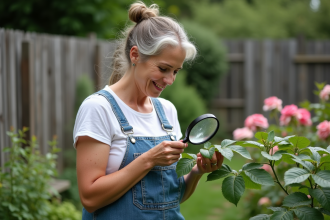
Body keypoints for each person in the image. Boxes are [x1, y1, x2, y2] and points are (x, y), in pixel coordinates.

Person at [73, 2, 224, 219]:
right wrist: (148, 159)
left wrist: (196, 172)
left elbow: (168, 197)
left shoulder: (167, 112)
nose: (170, 80)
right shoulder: (98, 108)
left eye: (176, 71)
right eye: (163, 69)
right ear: (135, 55)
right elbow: (90, 198)